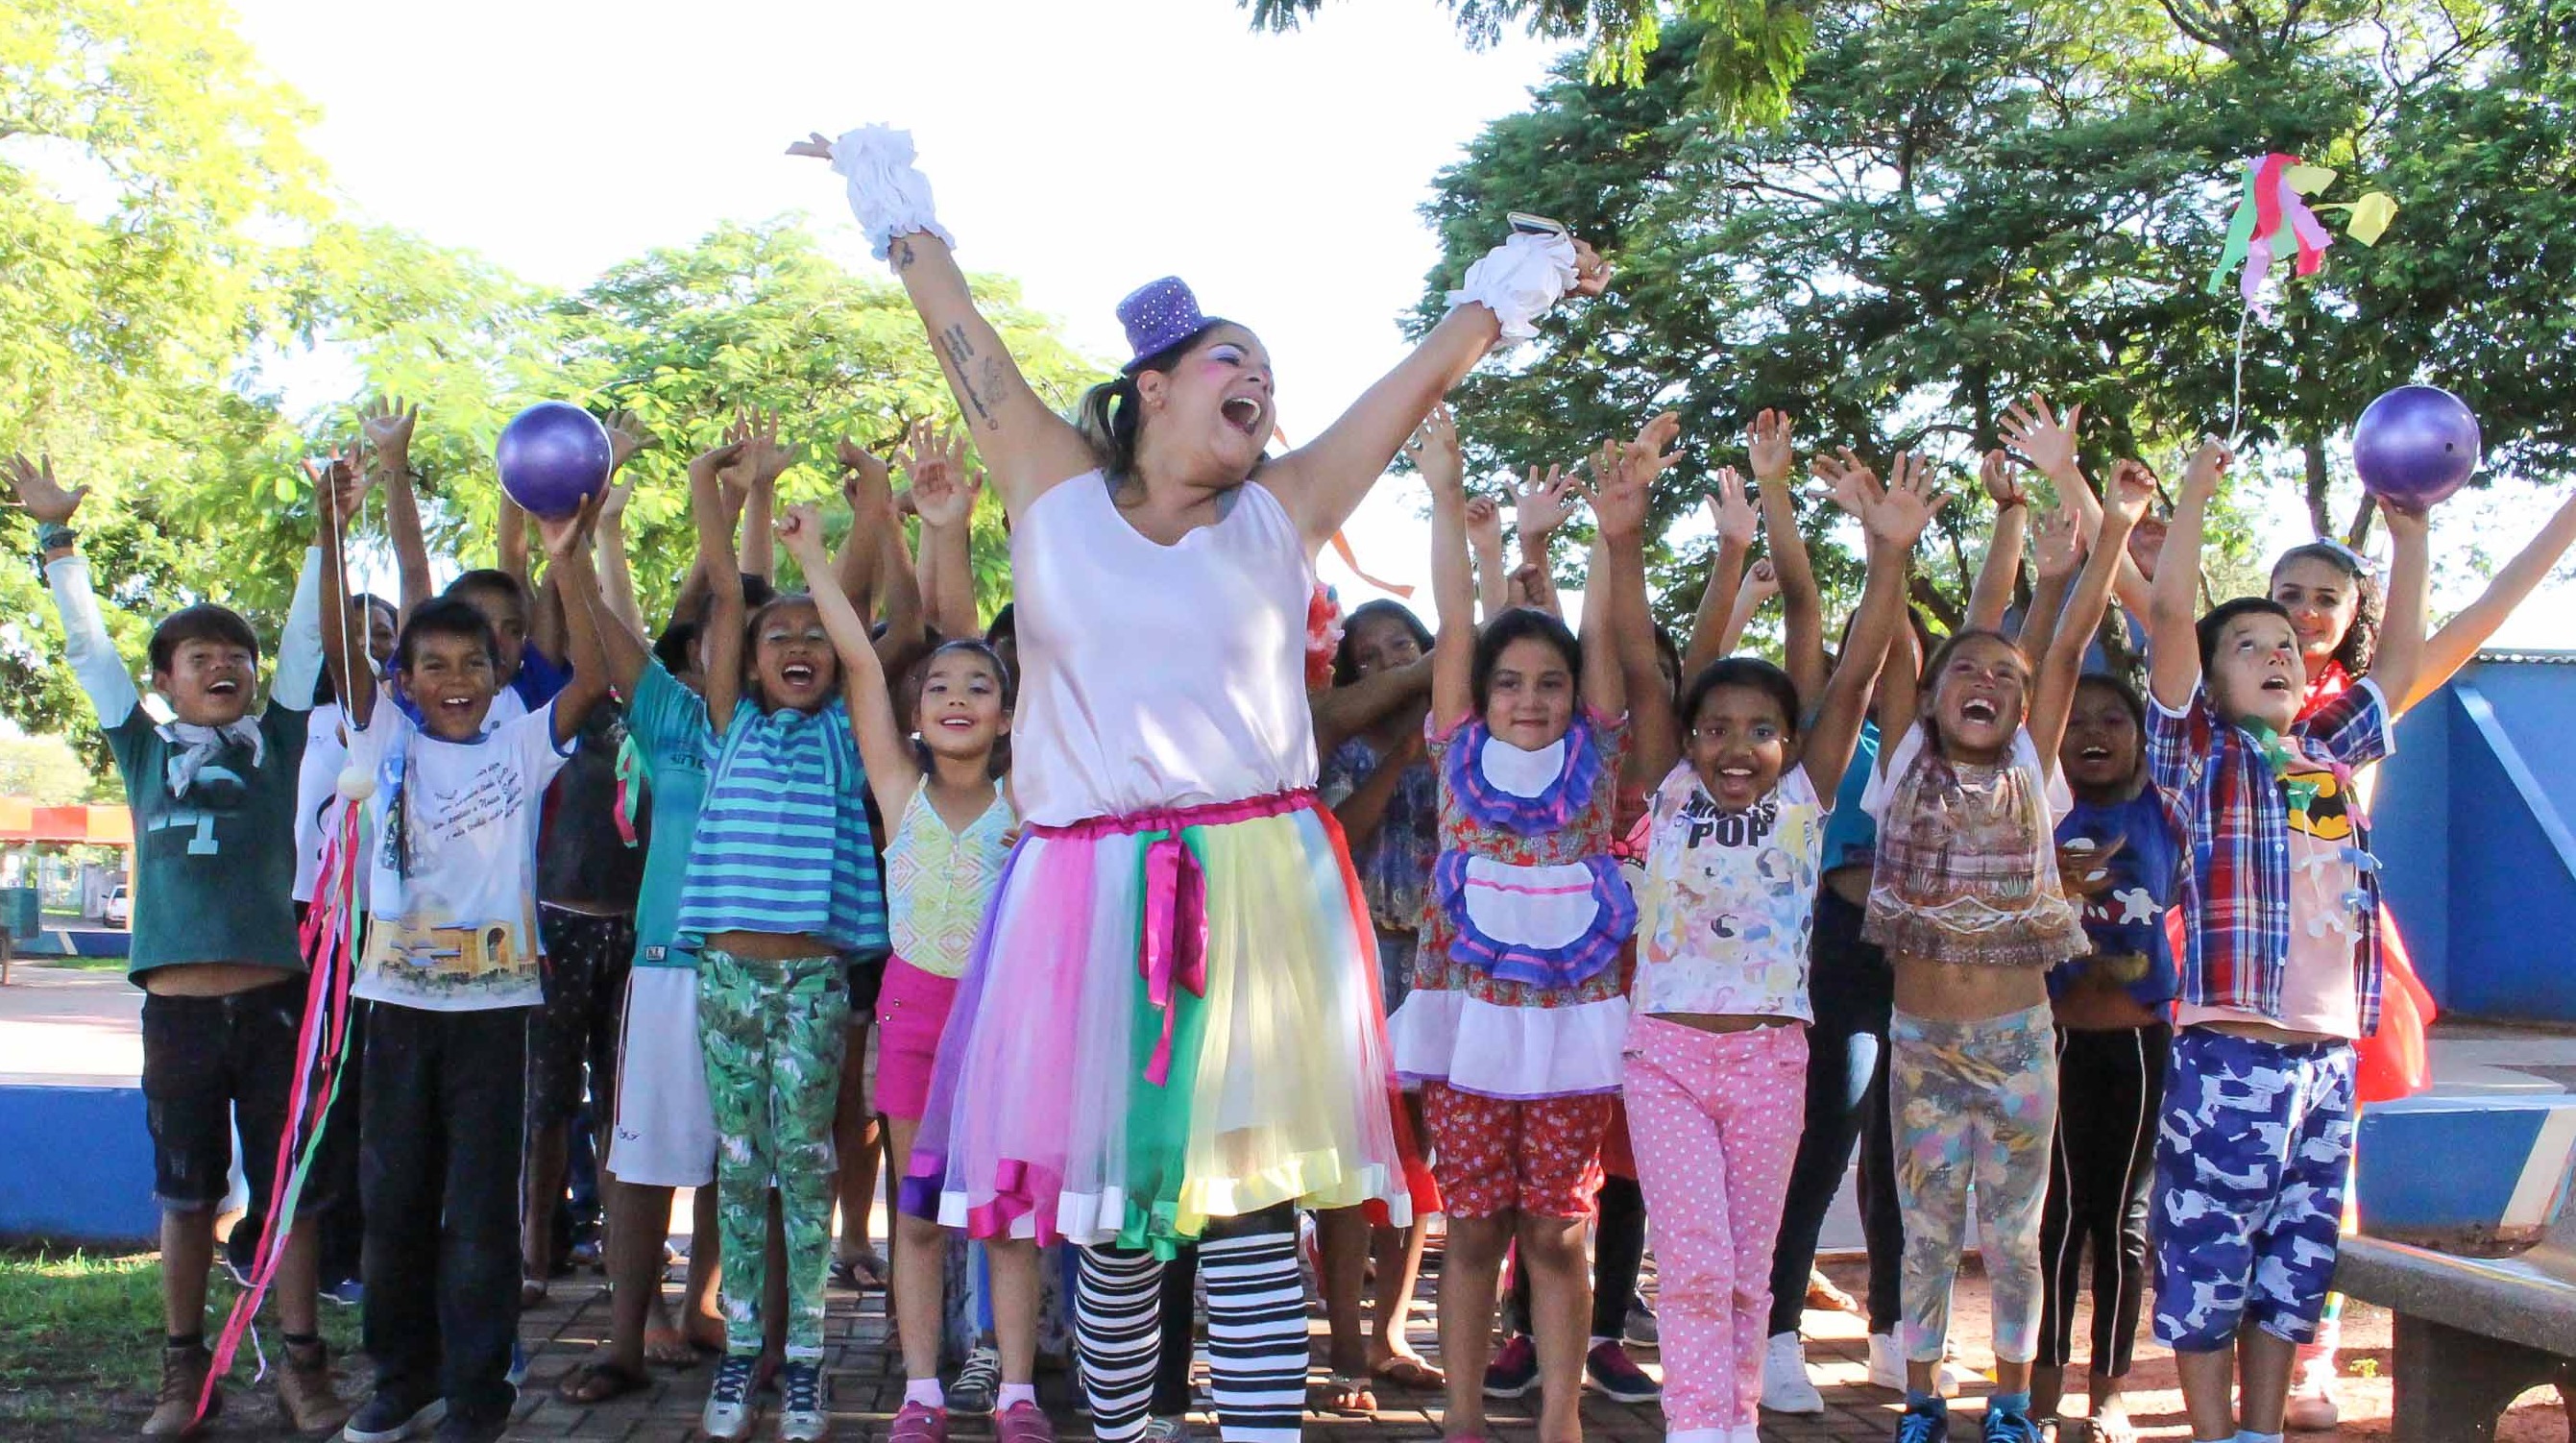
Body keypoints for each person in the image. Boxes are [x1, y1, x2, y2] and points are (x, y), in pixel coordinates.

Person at [790, 122, 1607, 1443]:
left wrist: (1510, 287)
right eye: (1236, 362)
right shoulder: (1048, 482)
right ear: (1155, 385)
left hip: (1256, 884)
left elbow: (1404, 390)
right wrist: (888, 197)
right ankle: (1120, 1430)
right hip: (1083, 888)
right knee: (1112, 1209)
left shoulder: (1280, 507)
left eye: (1271, 377)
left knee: (1248, 1200)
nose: (1263, 387)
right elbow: (961, 333)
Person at [13, 451, 349, 1439]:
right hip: (180, 1011)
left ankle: (301, 1365)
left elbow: (301, 635)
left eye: (234, 654)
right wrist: (57, 540)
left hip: (276, 1005)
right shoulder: (142, 747)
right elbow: (86, 652)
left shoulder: (281, 739)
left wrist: (329, 524)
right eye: (197, 656)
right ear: (161, 681)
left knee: (289, 1190)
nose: (222, 664)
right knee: (186, 1192)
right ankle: (181, 1372)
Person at [1608, 414, 1922, 1443]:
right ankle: (1700, 1426)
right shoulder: (1669, 788)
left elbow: (1864, 665)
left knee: (1745, 1269)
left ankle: (1729, 1420)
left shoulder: (1803, 798)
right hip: (1665, 1054)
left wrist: (1890, 552)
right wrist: (1624, 541)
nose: (1735, 744)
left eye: (1759, 728)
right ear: (1688, 738)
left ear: (1790, 741)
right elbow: (1644, 666)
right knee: (1693, 1262)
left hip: (1772, 1060)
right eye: (1717, 727)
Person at [2144, 437, 2429, 1443]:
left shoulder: (2320, 760)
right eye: (2249, 642)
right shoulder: (2198, 755)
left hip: (2327, 1060)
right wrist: (2193, 495)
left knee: (2293, 1267)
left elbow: (2393, 666)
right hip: (2233, 1051)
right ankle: (2217, 1434)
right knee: (2208, 1262)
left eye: (2287, 644)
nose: (2277, 651)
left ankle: (2262, 1433)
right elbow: (2172, 614)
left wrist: (2415, 535)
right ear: (2209, 678)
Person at [1864, 453, 2150, 1443]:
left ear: (2027, 710)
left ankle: (2015, 1402)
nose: (1983, 681)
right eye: (1963, 670)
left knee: (2016, 1237)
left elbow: (2064, 643)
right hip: (1922, 1042)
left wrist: (2110, 529)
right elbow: (1886, 646)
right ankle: (1921, 1400)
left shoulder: (2034, 764)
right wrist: (1891, 550)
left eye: (2003, 675)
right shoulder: (1904, 757)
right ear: (1935, 693)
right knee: (1928, 1232)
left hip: (2020, 1041)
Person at [326, 468, 613, 1443]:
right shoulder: (384, 734)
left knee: (478, 1215)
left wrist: (568, 558)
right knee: (392, 1205)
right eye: (433, 664)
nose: (453, 679)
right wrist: (338, 522)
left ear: (499, 674)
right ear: (402, 681)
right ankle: (401, 1377)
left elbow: (596, 680)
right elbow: (363, 616)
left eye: (473, 663)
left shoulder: (521, 747)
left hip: (493, 1012)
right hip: (396, 1008)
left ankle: (479, 1394)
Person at [1390, 404, 1641, 1443]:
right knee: (1478, 1220)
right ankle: (1460, 1419)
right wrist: (1446, 493)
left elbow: (1601, 634)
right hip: (1472, 1022)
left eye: (1548, 683)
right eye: (1509, 682)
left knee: (1557, 1224)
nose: (1530, 698)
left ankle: (1559, 1419)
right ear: (1479, 696)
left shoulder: (1597, 753)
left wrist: (1607, 532)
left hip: (1575, 1020)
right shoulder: (1455, 750)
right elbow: (1455, 619)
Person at [547, 434, 780, 1405]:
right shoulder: (668, 720)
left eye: (765, 638)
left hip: (762, 974)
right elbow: (616, 630)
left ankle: (726, 1319)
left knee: (751, 1166)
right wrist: (569, 555)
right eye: (730, 632)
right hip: (667, 968)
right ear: (696, 651)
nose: (744, 642)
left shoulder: (793, 735)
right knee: (640, 1159)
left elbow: (739, 594)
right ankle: (624, 1339)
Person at [828, 434, 1051, 1443]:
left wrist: (956, 528)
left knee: (1002, 1213)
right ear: (916, 713)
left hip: (1007, 1020)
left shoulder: (1031, 795)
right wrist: (809, 559)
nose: (957, 698)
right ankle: (922, 1388)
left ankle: (1014, 1389)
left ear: (1009, 717)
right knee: (917, 1214)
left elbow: (1008, 638)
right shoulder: (899, 790)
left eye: (980, 688)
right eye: (939, 689)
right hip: (915, 1014)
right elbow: (858, 664)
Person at [678, 451, 894, 1441]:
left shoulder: (847, 733)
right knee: (737, 1164)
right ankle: (740, 1360)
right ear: (749, 663)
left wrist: (869, 507)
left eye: (812, 634)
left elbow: (857, 633)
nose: (799, 644)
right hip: (724, 976)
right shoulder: (729, 725)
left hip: (812, 979)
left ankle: (803, 1360)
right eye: (780, 639)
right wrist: (708, 488)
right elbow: (727, 594)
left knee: (805, 1164)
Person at [2030, 665, 2180, 1443]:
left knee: (2120, 1219)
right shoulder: (2039, 807)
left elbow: (2181, 688)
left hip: (2137, 1045)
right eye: (2078, 720)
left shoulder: (2163, 811)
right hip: (2051, 1041)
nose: (2093, 732)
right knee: (2053, 1218)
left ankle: (2109, 1392)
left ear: (2142, 740)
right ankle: (2042, 1390)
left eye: (2113, 720)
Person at [1313, 596, 1446, 1410]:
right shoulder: (1340, 742)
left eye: (1407, 644)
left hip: (1437, 968)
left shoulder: (1465, 736)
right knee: (1351, 1158)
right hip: (1353, 966)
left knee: (1417, 1160)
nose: (1392, 658)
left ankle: (1394, 1331)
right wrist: (1399, 756)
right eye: (1372, 653)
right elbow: (1335, 835)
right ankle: (1346, 1346)